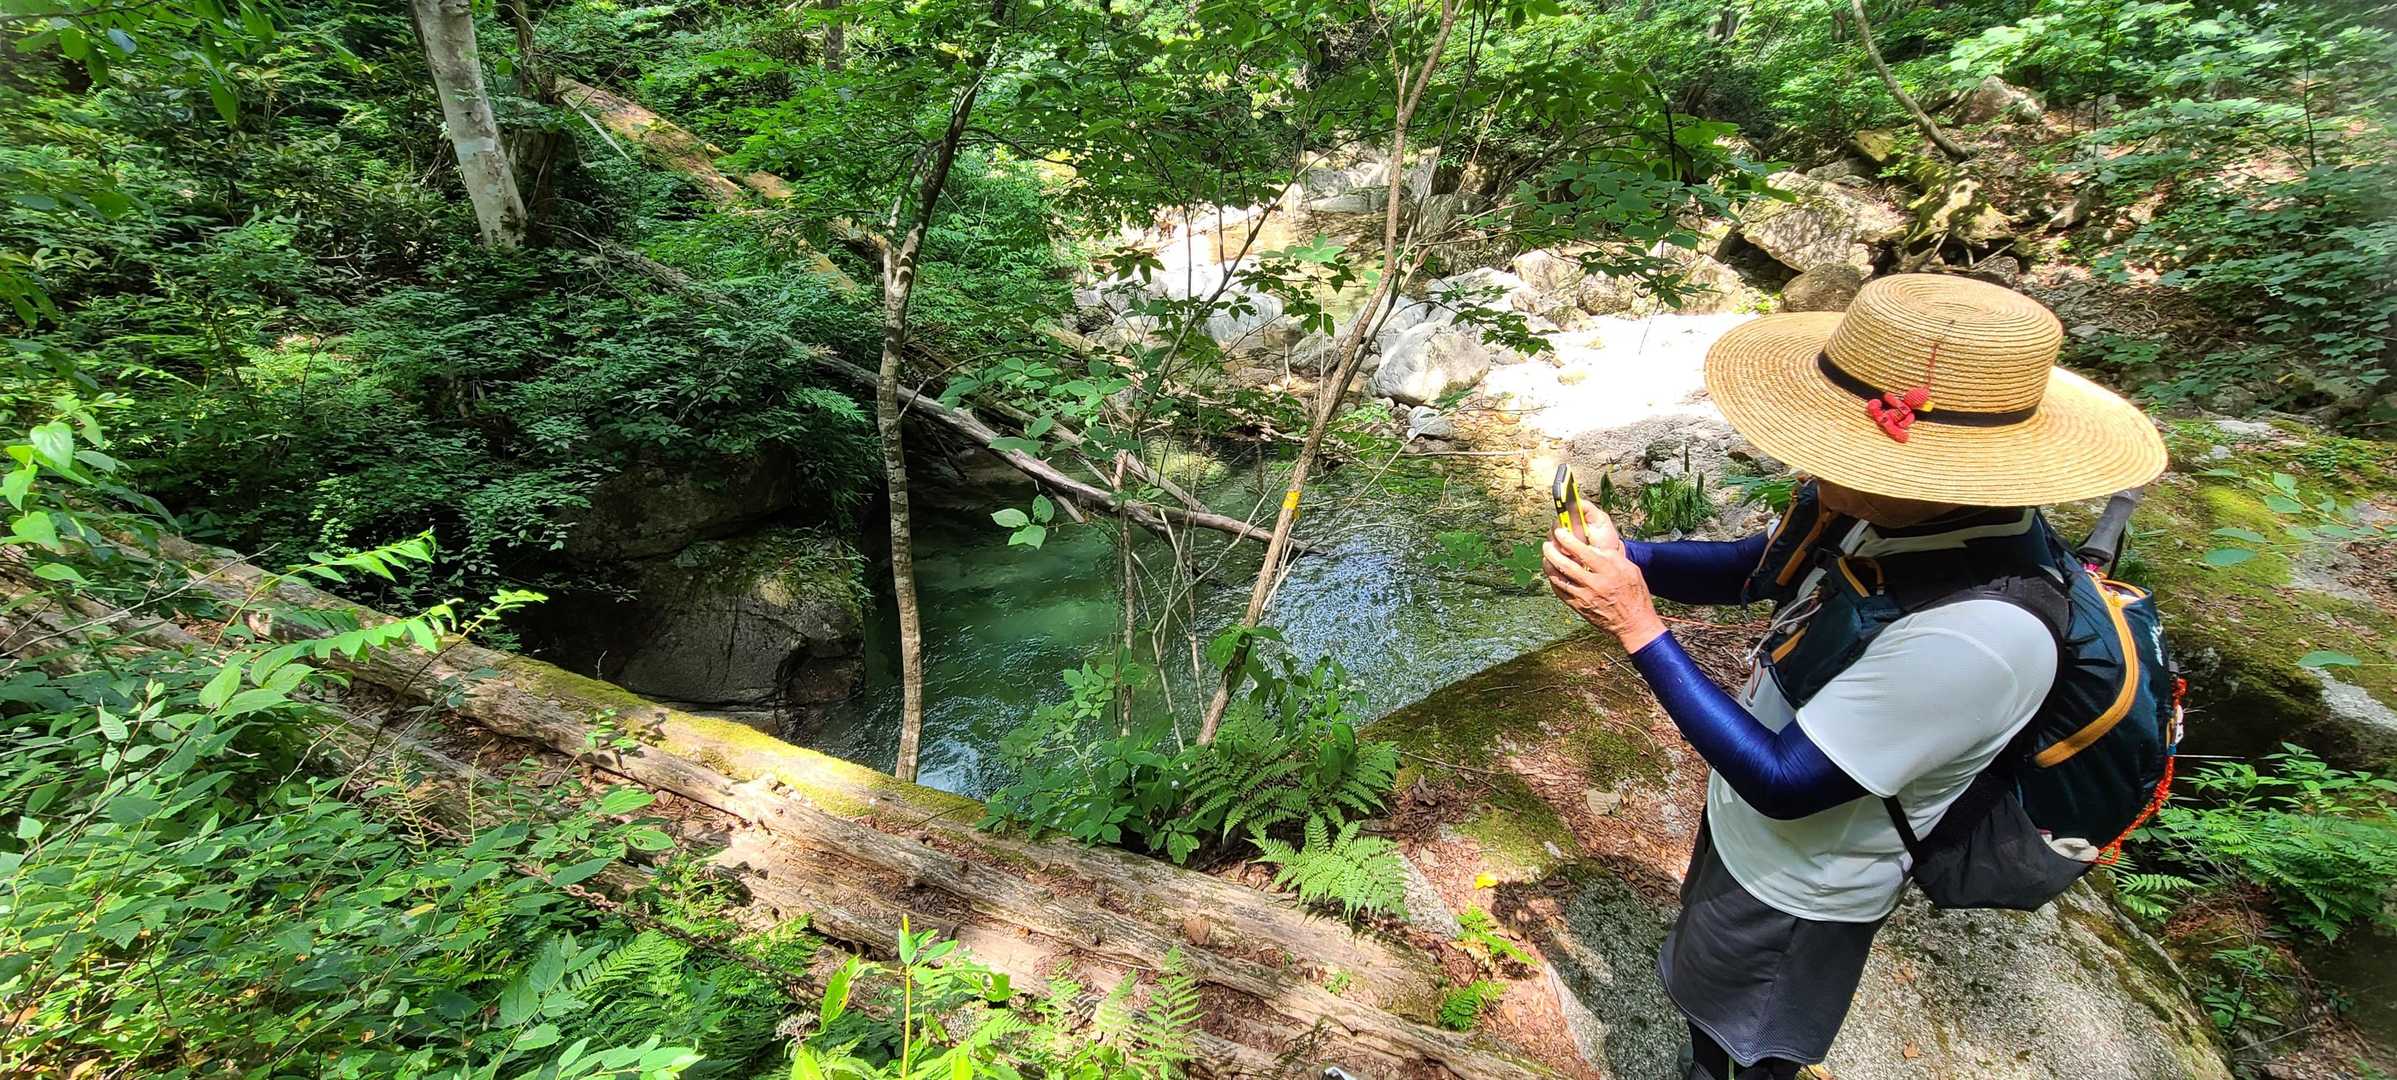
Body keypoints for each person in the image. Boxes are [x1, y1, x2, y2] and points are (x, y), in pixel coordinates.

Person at [1540, 274, 2167, 1080]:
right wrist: (1632, 559)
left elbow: (1784, 782)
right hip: (1751, 836)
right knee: (1706, 998)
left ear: (1936, 470)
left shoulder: (1979, 638)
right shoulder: (1909, 511)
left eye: (1839, 442)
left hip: (1803, 881)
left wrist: (1635, 622)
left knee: (1746, 1043)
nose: (1805, 457)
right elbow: (1757, 568)